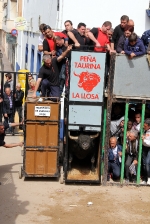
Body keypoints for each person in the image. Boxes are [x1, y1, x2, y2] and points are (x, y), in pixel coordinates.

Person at [141, 118, 150, 185]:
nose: (144, 127)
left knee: (147, 163)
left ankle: (149, 178)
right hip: (144, 148)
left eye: (145, 126)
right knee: (144, 164)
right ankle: (145, 179)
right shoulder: (143, 130)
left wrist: (144, 140)